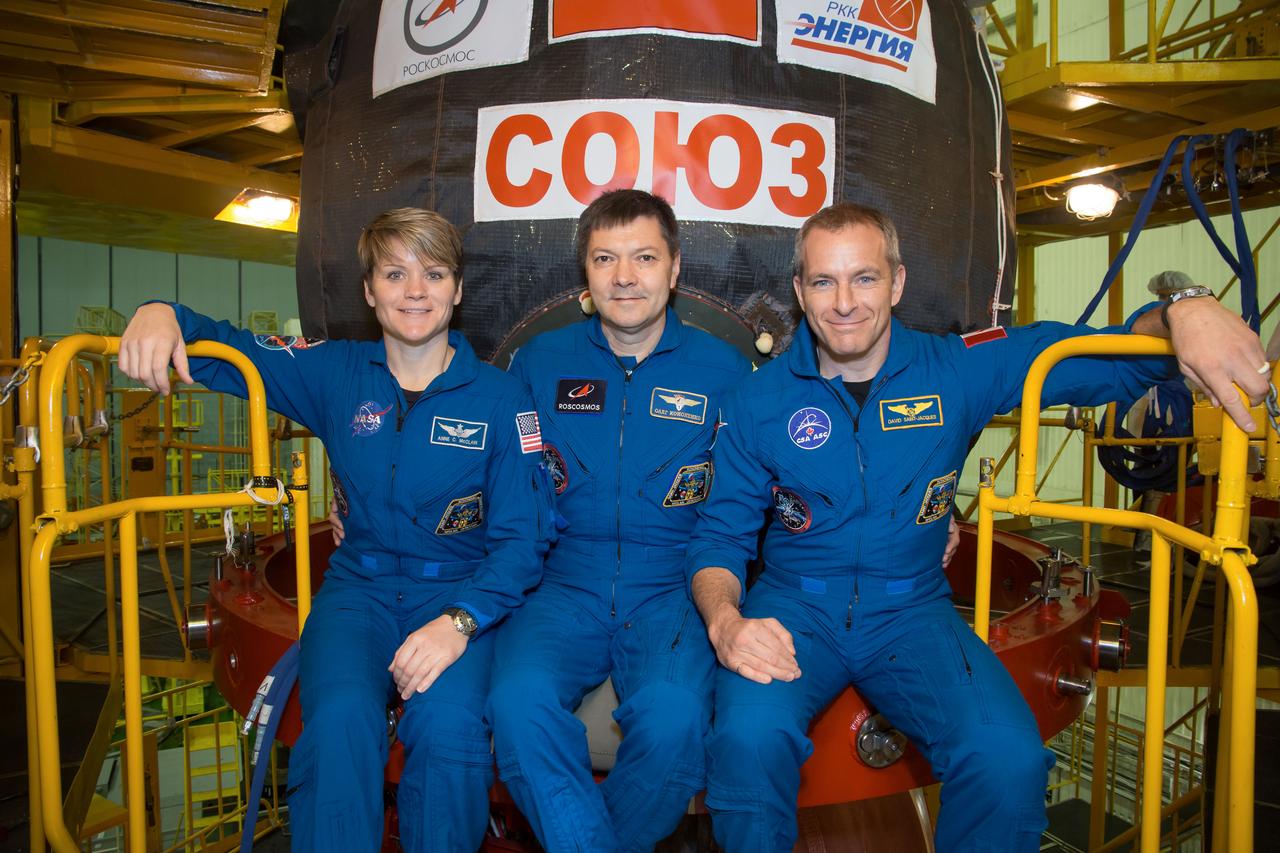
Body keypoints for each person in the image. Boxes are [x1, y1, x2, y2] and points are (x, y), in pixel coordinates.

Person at [686, 202, 1269, 852]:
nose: (844, 301)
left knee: (1007, 761)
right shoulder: (757, 401)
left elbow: (1103, 360)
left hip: (911, 611)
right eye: (823, 281)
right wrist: (726, 621)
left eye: (865, 278)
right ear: (800, 290)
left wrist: (1183, 308)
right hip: (795, 607)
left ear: (898, 282)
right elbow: (719, 539)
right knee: (745, 745)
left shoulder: (955, 370)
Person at [118, 208, 550, 853]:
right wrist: (162, 311)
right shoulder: (333, 373)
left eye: (433, 274)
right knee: (339, 722)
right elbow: (229, 352)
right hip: (359, 595)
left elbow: (525, 539)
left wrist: (458, 623)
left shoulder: (503, 399)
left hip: (459, 594)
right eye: (395, 273)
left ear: (456, 291)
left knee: (449, 731)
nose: (414, 291)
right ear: (370, 290)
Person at [482, 189, 750, 852]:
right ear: (586, 271)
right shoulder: (537, 365)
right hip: (560, 583)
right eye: (605, 258)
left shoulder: (727, 372)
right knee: (517, 704)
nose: (624, 276)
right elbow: (495, 467)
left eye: (643, 257)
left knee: (676, 718)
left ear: (675, 268)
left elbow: (782, 468)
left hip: (675, 588)